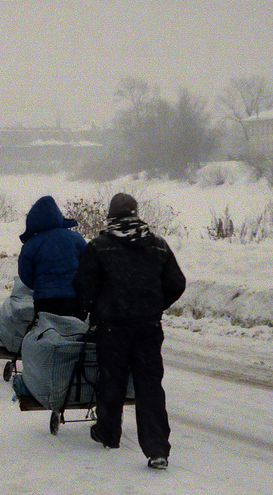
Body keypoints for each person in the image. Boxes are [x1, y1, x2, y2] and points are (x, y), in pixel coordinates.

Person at [72, 193, 186, 470]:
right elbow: (177, 283)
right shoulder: (158, 245)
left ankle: (109, 435)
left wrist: (93, 309)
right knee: (150, 386)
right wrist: (155, 305)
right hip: (148, 326)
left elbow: (82, 285)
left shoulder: (99, 247)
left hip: (112, 327)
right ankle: (157, 449)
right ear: (136, 213)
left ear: (111, 215)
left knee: (112, 380)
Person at [18, 195, 88, 320]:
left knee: (47, 334)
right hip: (75, 300)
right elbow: (88, 267)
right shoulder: (76, 238)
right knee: (76, 334)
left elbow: (25, 274)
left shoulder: (31, 244)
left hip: (45, 301)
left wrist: (40, 286)